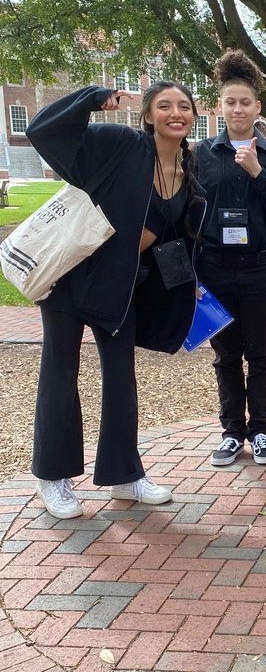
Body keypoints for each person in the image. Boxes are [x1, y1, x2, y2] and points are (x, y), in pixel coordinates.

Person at [26, 80, 206, 519]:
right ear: (147, 116)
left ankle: (124, 475)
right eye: (164, 105)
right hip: (73, 278)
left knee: (121, 377)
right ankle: (52, 476)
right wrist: (90, 99)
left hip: (123, 288)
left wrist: (191, 286)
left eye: (184, 106)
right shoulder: (122, 144)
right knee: (60, 372)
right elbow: (43, 131)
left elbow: (174, 238)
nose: (175, 112)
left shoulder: (187, 172)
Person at [196, 50, 266, 468]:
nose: (237, 108)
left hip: (261, 268)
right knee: (226, 355)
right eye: (230, 101)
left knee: (262, 354)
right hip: (214, 267)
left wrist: (256, 170)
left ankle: (261, 431)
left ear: (257, 108)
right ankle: (232, 432)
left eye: (245, 102)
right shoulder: (199, 154)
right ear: (220, 106)